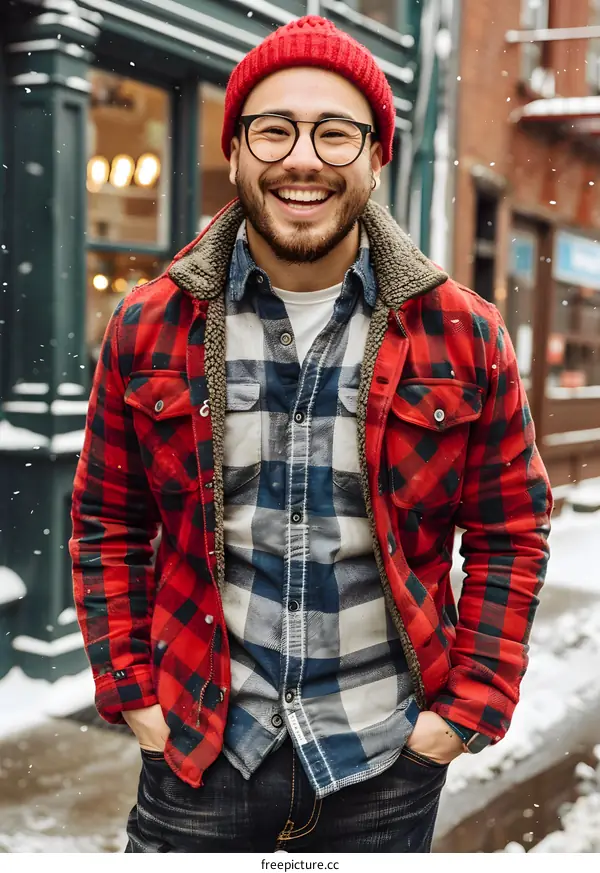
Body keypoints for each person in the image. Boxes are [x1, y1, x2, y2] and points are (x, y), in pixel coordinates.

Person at [70, 15, 553, 854]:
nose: (302, 158)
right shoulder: (151, 324)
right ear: (236, 150)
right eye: (274, 129)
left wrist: (464, 711)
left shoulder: (463, 334)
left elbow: (512, 530)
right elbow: (108, 521)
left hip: (383, 763)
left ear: (375, 156)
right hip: (197, 750)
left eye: (335, 133)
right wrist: (134, 696)